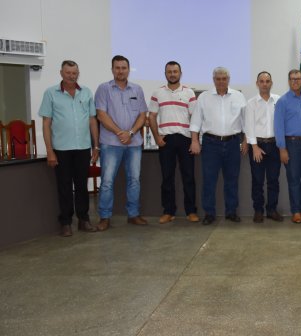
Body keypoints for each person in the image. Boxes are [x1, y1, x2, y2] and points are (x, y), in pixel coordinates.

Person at [38, 60, 100, 237]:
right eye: (68, 73)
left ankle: (83, 220)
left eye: (74, 73)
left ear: (78, 74)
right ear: (61, 73)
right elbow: (46, 123)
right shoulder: (51, 93)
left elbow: (92, 121)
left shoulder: (86, 92)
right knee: (64, 186)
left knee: (82, 186)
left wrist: (96, 146)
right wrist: (49, 150)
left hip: (83, 148)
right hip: (61, 149)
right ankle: (65, 222)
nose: (71, 76)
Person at [94, 55, 148, 231]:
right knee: (107, 181)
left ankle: (133, 214)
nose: (120, 71)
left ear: (128, 70)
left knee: (134, 180)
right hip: (111, 143)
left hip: (134, 143)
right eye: (117, 68)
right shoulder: (104, 89)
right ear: (112, 70)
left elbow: (142, 115)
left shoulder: (137, 89)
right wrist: (120, 132)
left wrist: (130, 133)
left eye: (123, 68)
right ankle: (105, 217)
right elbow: (101, 115)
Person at [190, 67, 247, 225]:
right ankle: (209, 213)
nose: (221, 81)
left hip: (233, 142)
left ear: (228, 79)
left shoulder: (239, 96)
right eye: (218, 79)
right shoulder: (204, 97)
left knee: (232, 180)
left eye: (224, 78)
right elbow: (195, 121)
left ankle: (231, 212)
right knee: (209, 180)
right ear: (213, 80)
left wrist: (245, 141)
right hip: (210, 144)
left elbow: (246, 121)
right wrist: (194, 141)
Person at [148, 61, 199, 224]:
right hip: (166, 140)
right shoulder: (158, 93)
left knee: (188, 177)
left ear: (180, 73)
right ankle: (168, 211)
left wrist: (194, 140)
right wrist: (157, 137)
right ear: (165, 74)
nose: (172, 74)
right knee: (167, 177)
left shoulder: (189, 92)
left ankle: (191, 211)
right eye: (169, 72)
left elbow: (195, 118)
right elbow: (152, 117)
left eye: (175, 71)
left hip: (185, 139)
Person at [274, 69, 301, 224]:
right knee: (294, 179)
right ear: (288, 81)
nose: (295, 81)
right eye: (292, 79)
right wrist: (282, 148)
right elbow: (278, 127)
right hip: (291, 144)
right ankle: (296, 211)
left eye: (298, 79)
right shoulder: (283, 101)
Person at [245, 71, 283, 223]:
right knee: (257, 180)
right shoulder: (251, 103)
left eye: (267, 81)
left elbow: (281, 124)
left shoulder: (278, 100)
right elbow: (249, 126)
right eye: (262, 81)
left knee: (273, 180)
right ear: (257, 83)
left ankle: (272, 210)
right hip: (257, 145)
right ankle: (258, 210)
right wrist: (254, 147)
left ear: (271, 83)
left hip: (274, 145)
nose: (265, 84)